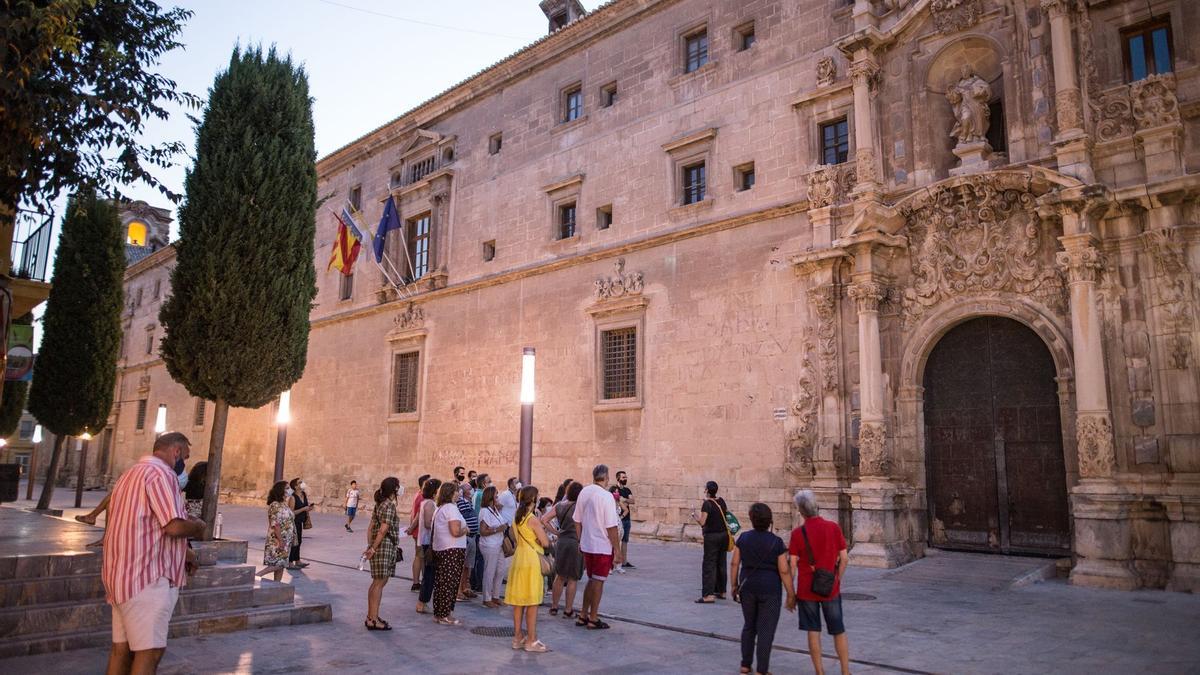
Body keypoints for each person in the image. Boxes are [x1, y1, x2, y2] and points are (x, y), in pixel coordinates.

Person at [102, 432, 205, 675]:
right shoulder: (162, 475)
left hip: (121, 578)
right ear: (176, 451)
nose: (184, 465)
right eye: (185, 457)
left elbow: (145, 526)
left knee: (122, 651)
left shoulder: (129, 474)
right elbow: (173, 526)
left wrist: (187, 555)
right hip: (147, 579)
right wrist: (199, 527)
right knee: (150, 653)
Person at [789, 489, 850, 675]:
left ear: (801, 511)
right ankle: (846, 672)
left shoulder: (798, 533)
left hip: (807, 589)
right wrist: (836, 578)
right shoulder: (833, 528)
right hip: (830, 588)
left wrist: (791, 594)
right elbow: (844, 558)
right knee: (838, 630)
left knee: (813, 631)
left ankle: (819, 672)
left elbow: (792, 565)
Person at [731, 503, 796, 675]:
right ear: (769, 521)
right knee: (765, 630)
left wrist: (734, 585)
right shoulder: (776, 542)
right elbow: (784, 569)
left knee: (749, 626)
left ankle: (745, 665)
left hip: (748, 586)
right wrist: (791, 593)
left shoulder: (743, 538)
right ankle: (762, 669)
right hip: (770, 589)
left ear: (751, 519)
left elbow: (735, 563)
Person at [573, 464, 623, 630]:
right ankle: (593, 618)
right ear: (607, 477)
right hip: (601, 545)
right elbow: (611, 527)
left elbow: (577, 520)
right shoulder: (606, 496)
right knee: (598, 582)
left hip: (587, 544)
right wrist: (617, 550)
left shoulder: (584, 492)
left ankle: (583, 614)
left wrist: (581, 540)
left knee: (591, 579)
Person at [507, 485, 552, 652]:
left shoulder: (517, 517)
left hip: (519, 558)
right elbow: (546, 542)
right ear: (533, 499)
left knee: (519, 603)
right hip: (532, 561)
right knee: (532, 602)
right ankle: (531, 640)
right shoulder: (532, 519)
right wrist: (541, 541)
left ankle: (517, 637)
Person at [363, 477, 401, 631]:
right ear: (395, 489)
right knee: (379, 583)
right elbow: (383, 529)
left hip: (378, 546)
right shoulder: (389, 505)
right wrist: (373, 548)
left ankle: (371, 616)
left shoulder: (379, 504)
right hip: (384, 547)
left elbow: (370, 527)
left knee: (377, 582)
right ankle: (373, 619)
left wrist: (370, 545)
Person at [431, 481, 467, 625]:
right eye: (457, 491)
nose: (459, 493)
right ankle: (446, 614)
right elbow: (455, 531)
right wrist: (467, 530)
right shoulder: (451, 508)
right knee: (449, 582)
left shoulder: (440, 508)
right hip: (452, 550)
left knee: (441, 582)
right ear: (451, 493)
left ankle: (439, 613)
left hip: (441, 549)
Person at [549, 481, 584, 618]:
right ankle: (568, 610)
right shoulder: (580, 507)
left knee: (559, 575)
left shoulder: (559, 506)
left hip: (562, 541)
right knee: (573, 578)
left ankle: (554, 606)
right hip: (575, 542)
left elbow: (544, 519)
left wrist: (557, 532)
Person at [692, 480, 730, 603]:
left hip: (712, 537)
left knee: (709, 564)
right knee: (721, 563)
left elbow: (703, 522)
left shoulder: (707, 504)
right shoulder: (721, 501)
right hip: (724, 535)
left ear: (707, 490)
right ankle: (722, 591)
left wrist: (695, 516)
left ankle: (708, 595)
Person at [258, 481, 297, 582]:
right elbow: (275, 524)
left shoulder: (284, 504)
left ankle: (277, 584)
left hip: (286, 539)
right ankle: (257, 575)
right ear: (281, 490)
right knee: (277, 563)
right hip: (277, 539)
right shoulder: (275, 505)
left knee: (282, 564)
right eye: (287, 488)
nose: (290, 490)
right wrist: (280, 540)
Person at [477, 485, 508, 608]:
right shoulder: (485, 511)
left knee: (501, 570)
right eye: (496, 494)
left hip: (498, 544)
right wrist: (497, 529)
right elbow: (483, 531)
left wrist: (498, 528)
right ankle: (487, 598)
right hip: (489, 545)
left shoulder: (494, 509)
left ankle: (495, 596)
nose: (498, 496)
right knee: (489, 571)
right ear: (490, 496)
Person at [415, 477, 442, 614]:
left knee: (429, 573)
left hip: (425, 541)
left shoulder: (424, 502)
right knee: (429, 574)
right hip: (429, 542)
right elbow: (427, 523)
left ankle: (423, 602)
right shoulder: (430, 503)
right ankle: (422, 602)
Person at [456, 482, 480, 600]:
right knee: (462, 564)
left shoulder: (469, 502)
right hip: (465, 537)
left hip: (472, 537)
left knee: (468, 565)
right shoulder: (460, 502)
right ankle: (458, 590)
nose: (471, 490)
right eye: (469, 488)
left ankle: (465, 587)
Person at [287, 477, 315, 569]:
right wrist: (303, 509)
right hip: (293, 522)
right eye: (300, 482)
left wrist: (309, 508)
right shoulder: (292, 497)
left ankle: (297, 560)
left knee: (299, 541)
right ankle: (290, 562)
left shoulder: (303, 494)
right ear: (295, 486)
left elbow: (305, 507)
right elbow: (291, 513)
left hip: (300, 521)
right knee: (294, 542)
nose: (302, 483)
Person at [408, 474, 430, 590]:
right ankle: (416, 583)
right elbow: (417, 515)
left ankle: (419, 581)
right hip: (420, 532)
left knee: (420, 557)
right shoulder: (422, 497)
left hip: (417, 531)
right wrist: (412, 527)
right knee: (419, 557)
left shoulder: (418, 494)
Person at [615, 470, 635, 568]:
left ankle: (624, 561)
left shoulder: (627, 490)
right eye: (623, 477)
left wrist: (624, 499)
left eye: (626, 477)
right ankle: (615, 562)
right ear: (618, 478)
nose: (625, 479)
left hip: (627, 519)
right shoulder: (613, 489)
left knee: (625, 540)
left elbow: (633, 500)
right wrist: (623, 501)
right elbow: (615, 500)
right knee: (616, 541)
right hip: (618, 519)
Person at [608, 485, 629, 574]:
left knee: (618, 545)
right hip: (611, 524)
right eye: (615, 491)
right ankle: (610, 567)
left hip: (619, 524)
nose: (617, 493)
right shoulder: (608, 502)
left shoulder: (618, 501)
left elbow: (626, 510)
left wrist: (621, 516)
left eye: (617, 491)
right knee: (610, 546)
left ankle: (618, 566)